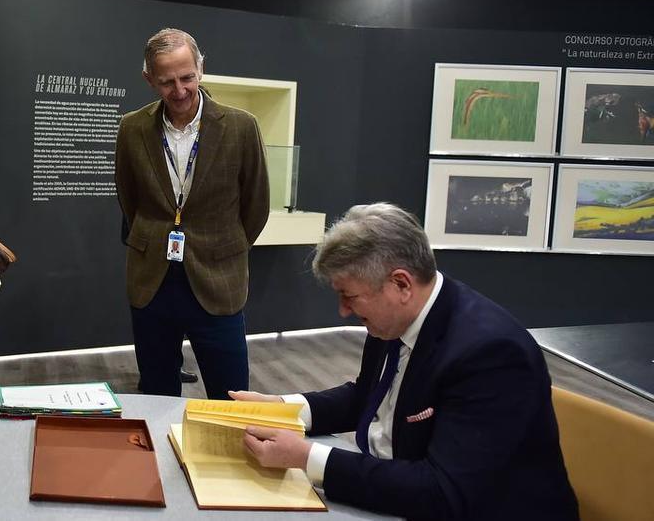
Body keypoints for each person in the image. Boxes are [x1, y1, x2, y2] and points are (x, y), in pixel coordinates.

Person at [233, 203, 578, 521]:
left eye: (349, 296)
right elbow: (367, 396)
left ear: (401, 283)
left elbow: (443, 492)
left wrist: (305, 458)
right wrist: (283, 408)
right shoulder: (395, 319)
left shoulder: (491, 354)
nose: (343, 311)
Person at [114, 28, 270, 400]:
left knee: (230, 395)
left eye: (187, 77)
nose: (180, 90)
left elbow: (256, 204)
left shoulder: (241, 126)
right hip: (153, 279)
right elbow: (128, 197)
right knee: (155, 392)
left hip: (219, 279)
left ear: (201, 68)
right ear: (149, 79)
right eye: (167, 82)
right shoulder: (132, 128)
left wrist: (224, 245)